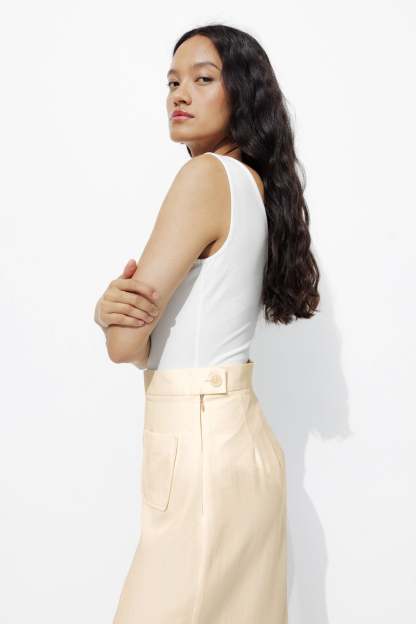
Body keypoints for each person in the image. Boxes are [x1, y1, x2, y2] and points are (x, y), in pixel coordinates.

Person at [94, 23, 320, 624]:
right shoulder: (254, 186)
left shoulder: (204, 178)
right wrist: (120, 316)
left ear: (241, 92)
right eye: (172, 82)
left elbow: (125, 344)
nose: (180, 94)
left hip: (198, 445)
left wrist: (106, 313)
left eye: (202, 79)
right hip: (240, 442)